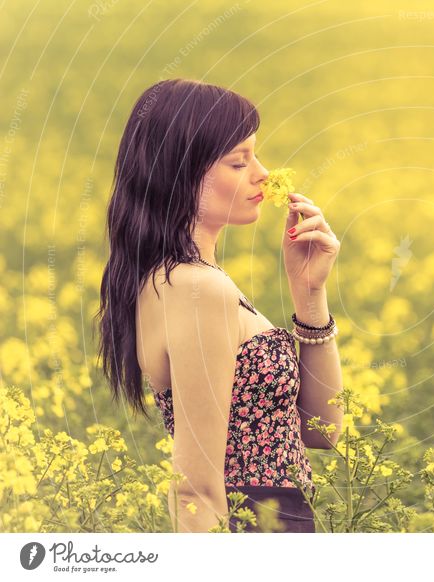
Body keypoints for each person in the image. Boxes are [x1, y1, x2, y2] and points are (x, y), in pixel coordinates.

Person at [94, 78, 343, 533]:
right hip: (253, 527)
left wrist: (309, 293)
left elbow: (320, 429)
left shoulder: (185, 281)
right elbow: (195, 487)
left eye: (256, 156)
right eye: (238, 161)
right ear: (180, 173)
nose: (262, 174)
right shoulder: (197, 289)